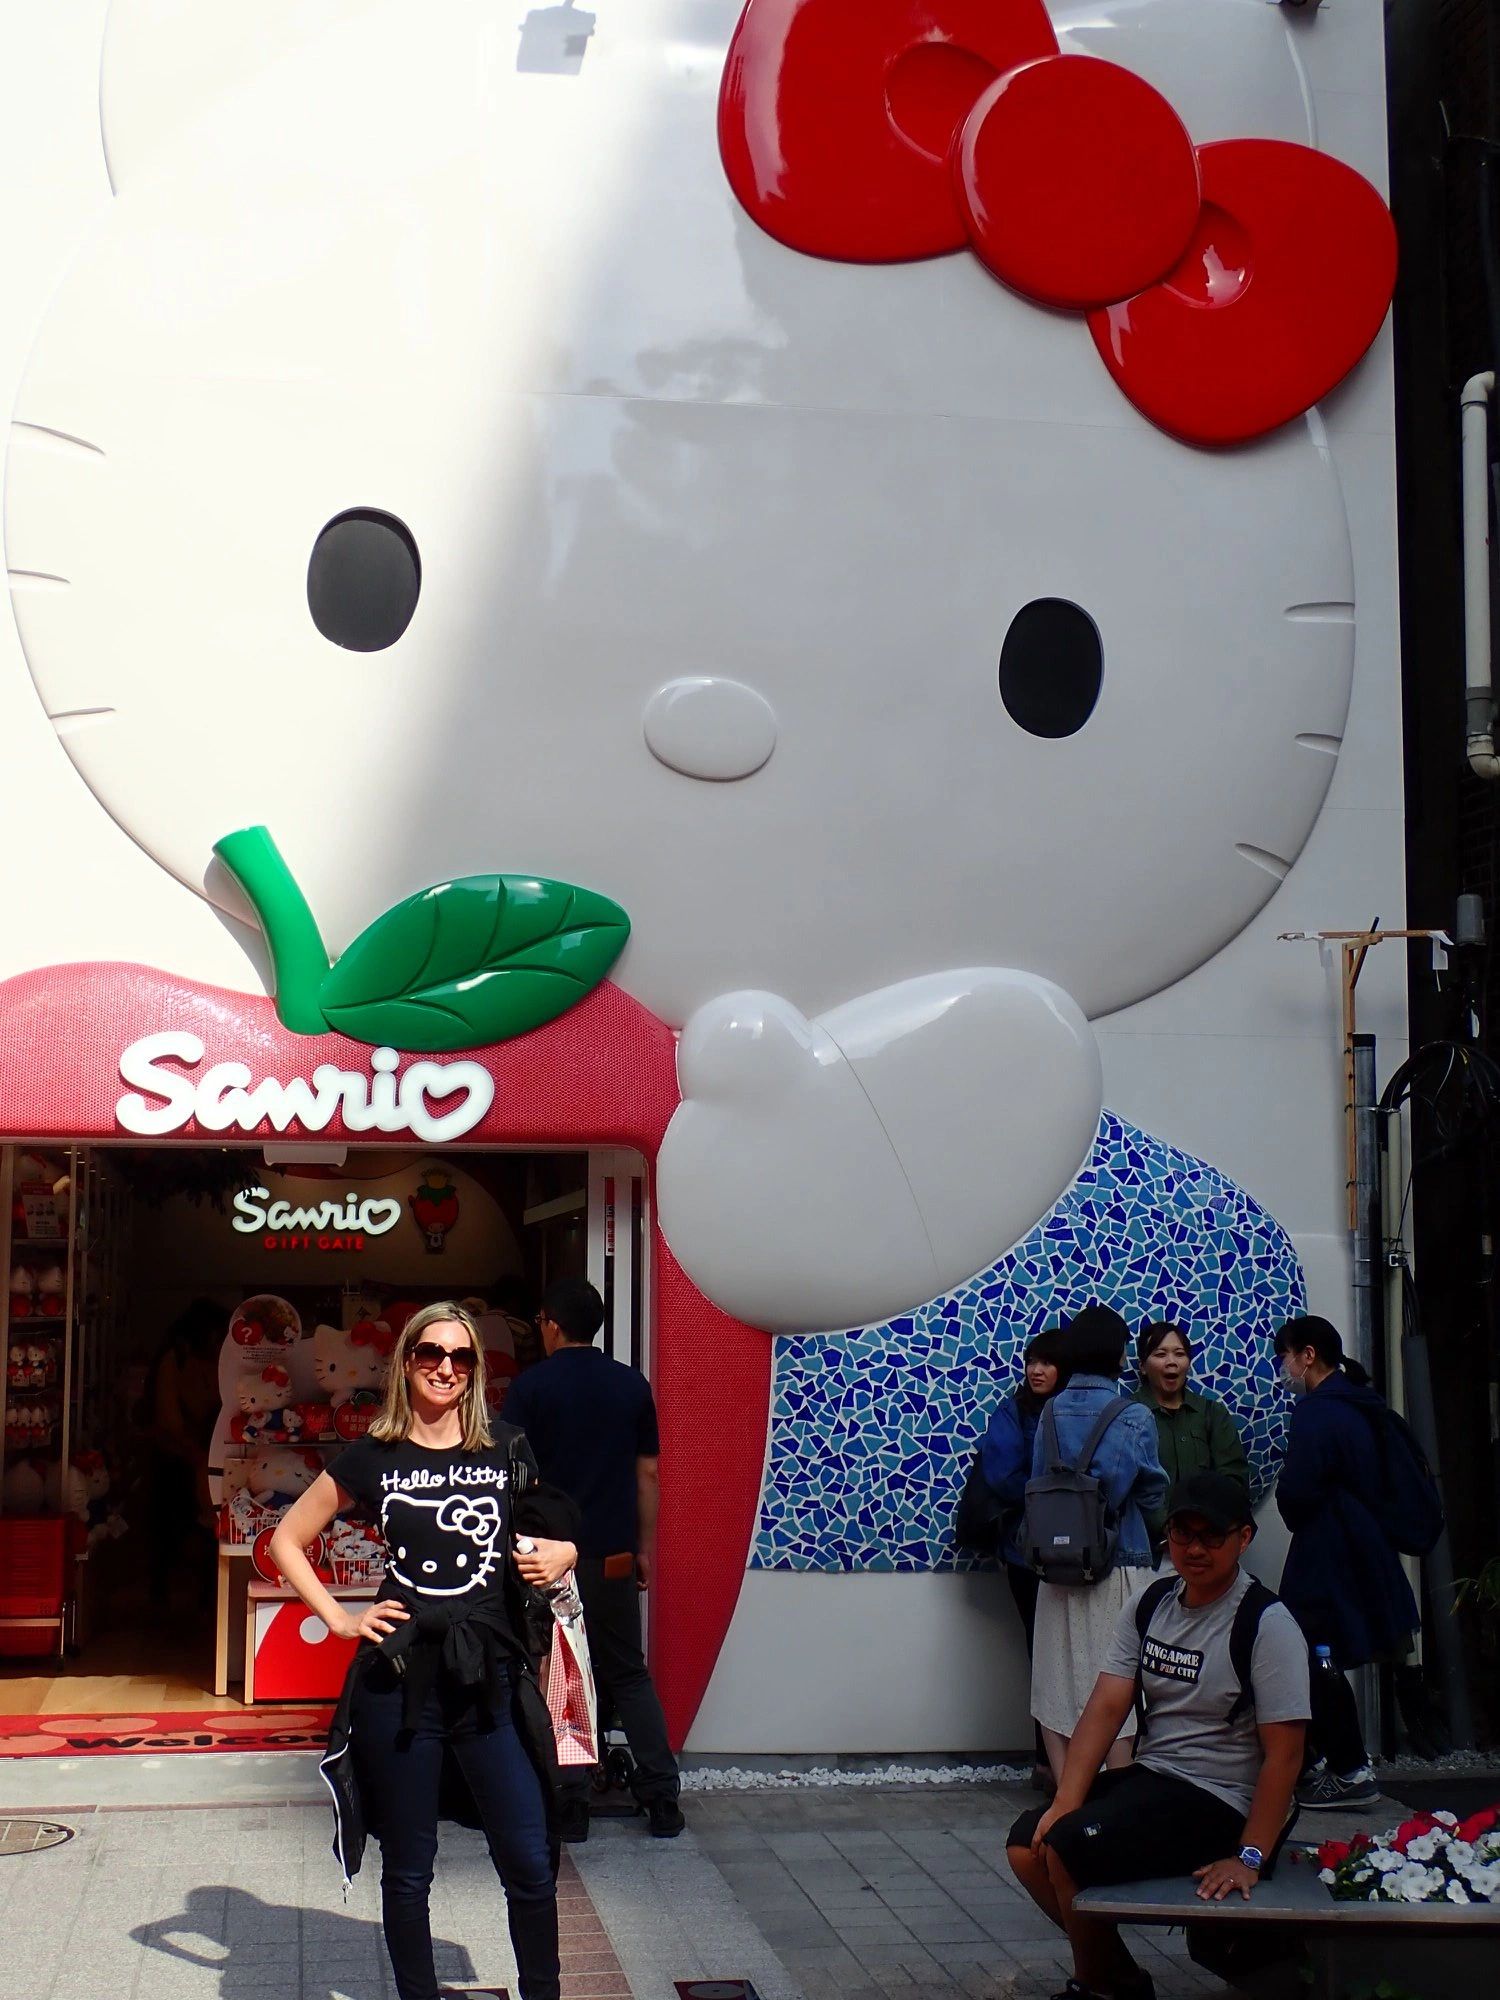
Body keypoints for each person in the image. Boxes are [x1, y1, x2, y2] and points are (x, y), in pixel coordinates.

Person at [270, 1301, 580, 2000]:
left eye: (461, 1357)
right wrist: (342, 1619)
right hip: (400, 1683)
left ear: (475, 1371)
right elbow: (288, 1539)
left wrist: (567, 1549)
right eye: (431, 1354)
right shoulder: (372, 1455)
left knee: (530, 1862)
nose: (446, 1368)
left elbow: (552, 1528)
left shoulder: (505, 1446)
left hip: (491, 1683)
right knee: (409, 1869)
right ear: (406, 1362)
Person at [1006, 1473, 1309, 2000]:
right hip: (1154, 1779)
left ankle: (1097, 1986)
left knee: (1065, 1848)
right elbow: (1104, 1707)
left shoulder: (1268, 1623)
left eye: (1212, 1536)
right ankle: (1118, 1977)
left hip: (1222, 1800)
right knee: (1026, 1844)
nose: (1195, 1549)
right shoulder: (1150, 1604)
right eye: (1182, 1533)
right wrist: (1065, 1800)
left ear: (1244, 1539)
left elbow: (1285, 1756)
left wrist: (1251, 1857)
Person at [502, 1276, 684, 1840]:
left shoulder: (529, 1389)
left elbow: (509, 1479)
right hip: (612, 1557)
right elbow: (648, 1472)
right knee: (627, 1672)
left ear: (551, 1324)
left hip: (546, 1559)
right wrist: (644, 1548)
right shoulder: (631, 1386)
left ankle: (572, 1802)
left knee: (561, 1673)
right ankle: (661, 1798)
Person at [1273, 1314, 1417, 1809]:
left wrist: (1292, 1506)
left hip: (1327, 1552)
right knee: (1318, 1652)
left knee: (1311, 1653)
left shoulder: (1317, 1412)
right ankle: (1326, 1760)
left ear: (1307, 1355)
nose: (1282, 1369)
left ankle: (1347, 1766)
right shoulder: (1360, 1403)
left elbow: (1297, 1489)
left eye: (1284, 1357)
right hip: (1361, 1547)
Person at [1029, 1306, 1168, 1784]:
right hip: (1118, 1562)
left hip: (1055, 1564)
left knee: (1056, 1680)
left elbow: (1036, 1481)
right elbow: (1151, 1490)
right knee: (1115, 1680)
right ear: (1119, 1354)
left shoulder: (1049, 1411)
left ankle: (1067, 1798)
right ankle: (1113, 1790)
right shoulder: (1132, 1415)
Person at [980, 1327, 1064, 1786]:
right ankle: (1046, 1760)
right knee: (1043, 1650)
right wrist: (1052, 1498)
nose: (1036, 1370)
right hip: (1025, 1553)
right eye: (1032, 1361)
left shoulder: (1072, 1413)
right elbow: (1001, 1474)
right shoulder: (1013, 1413)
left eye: (1047, 1362)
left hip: (1074, 1552)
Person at [1131, 1323, 1249, 1556]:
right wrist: (1167, 1529)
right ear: (1143, 1366)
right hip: (1147, 1553)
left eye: (1180, 1354)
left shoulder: (1212, 1414)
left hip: (1207, 1545)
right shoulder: (1127, 1416)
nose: (1171, 1362)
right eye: (1160, 1354)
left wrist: (1203, 1526)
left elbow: (1234, 1479)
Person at [143, 1298, 222, 1610]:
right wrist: (198, 1454)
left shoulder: (196, 1361)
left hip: (194, 1455)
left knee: (199, 1529)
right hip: (176, 1457)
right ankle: (164, 1595)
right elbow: (170, 1421)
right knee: (175, 1526)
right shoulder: (174, 1361)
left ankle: (199, 1594)